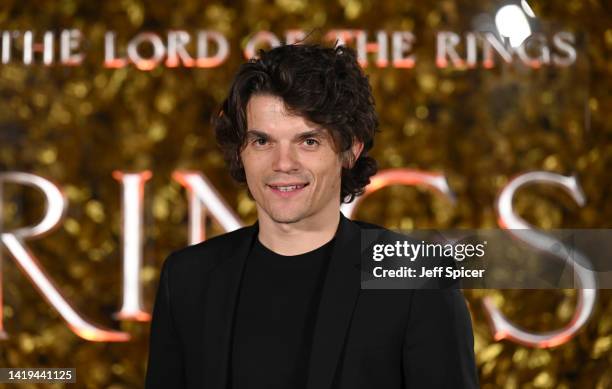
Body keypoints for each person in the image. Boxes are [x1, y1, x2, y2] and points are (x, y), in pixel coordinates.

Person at [145, 43, 479, 389]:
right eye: (262, 141)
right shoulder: (188, 279)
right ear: (240, 151)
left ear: (351, 149)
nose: (283, 163)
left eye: (308, 142)